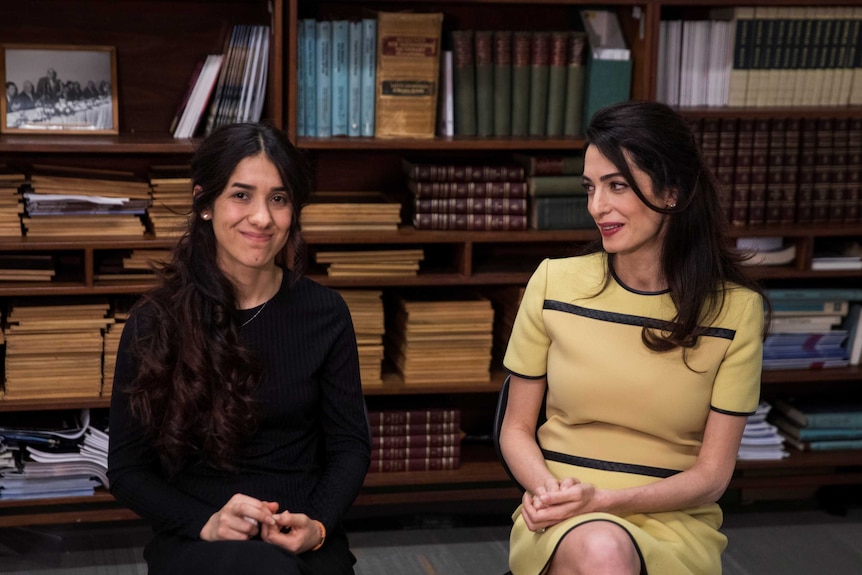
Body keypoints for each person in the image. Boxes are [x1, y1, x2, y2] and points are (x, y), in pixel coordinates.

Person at [498, 101, 767, 575]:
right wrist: (550, 494)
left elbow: (712, 476)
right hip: (559, 506)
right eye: (590, 187)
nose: (596, 207)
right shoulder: (553, 284)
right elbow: (515, 428)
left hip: (673, 517)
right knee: (600, 549)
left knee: (604, 548)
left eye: (616, 185)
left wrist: (606, 501)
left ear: (671, 191)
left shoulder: (737, 312)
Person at [108, 122, 371, 575]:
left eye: (279, 198)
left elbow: (350, 446)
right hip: (200, 533)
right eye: (241, 195)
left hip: (300, 528)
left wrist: (320, 524)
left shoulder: (326, 313)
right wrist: (205, 522)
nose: (263, 218)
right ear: (204, 203)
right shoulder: (154, 321)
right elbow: (128, 471)